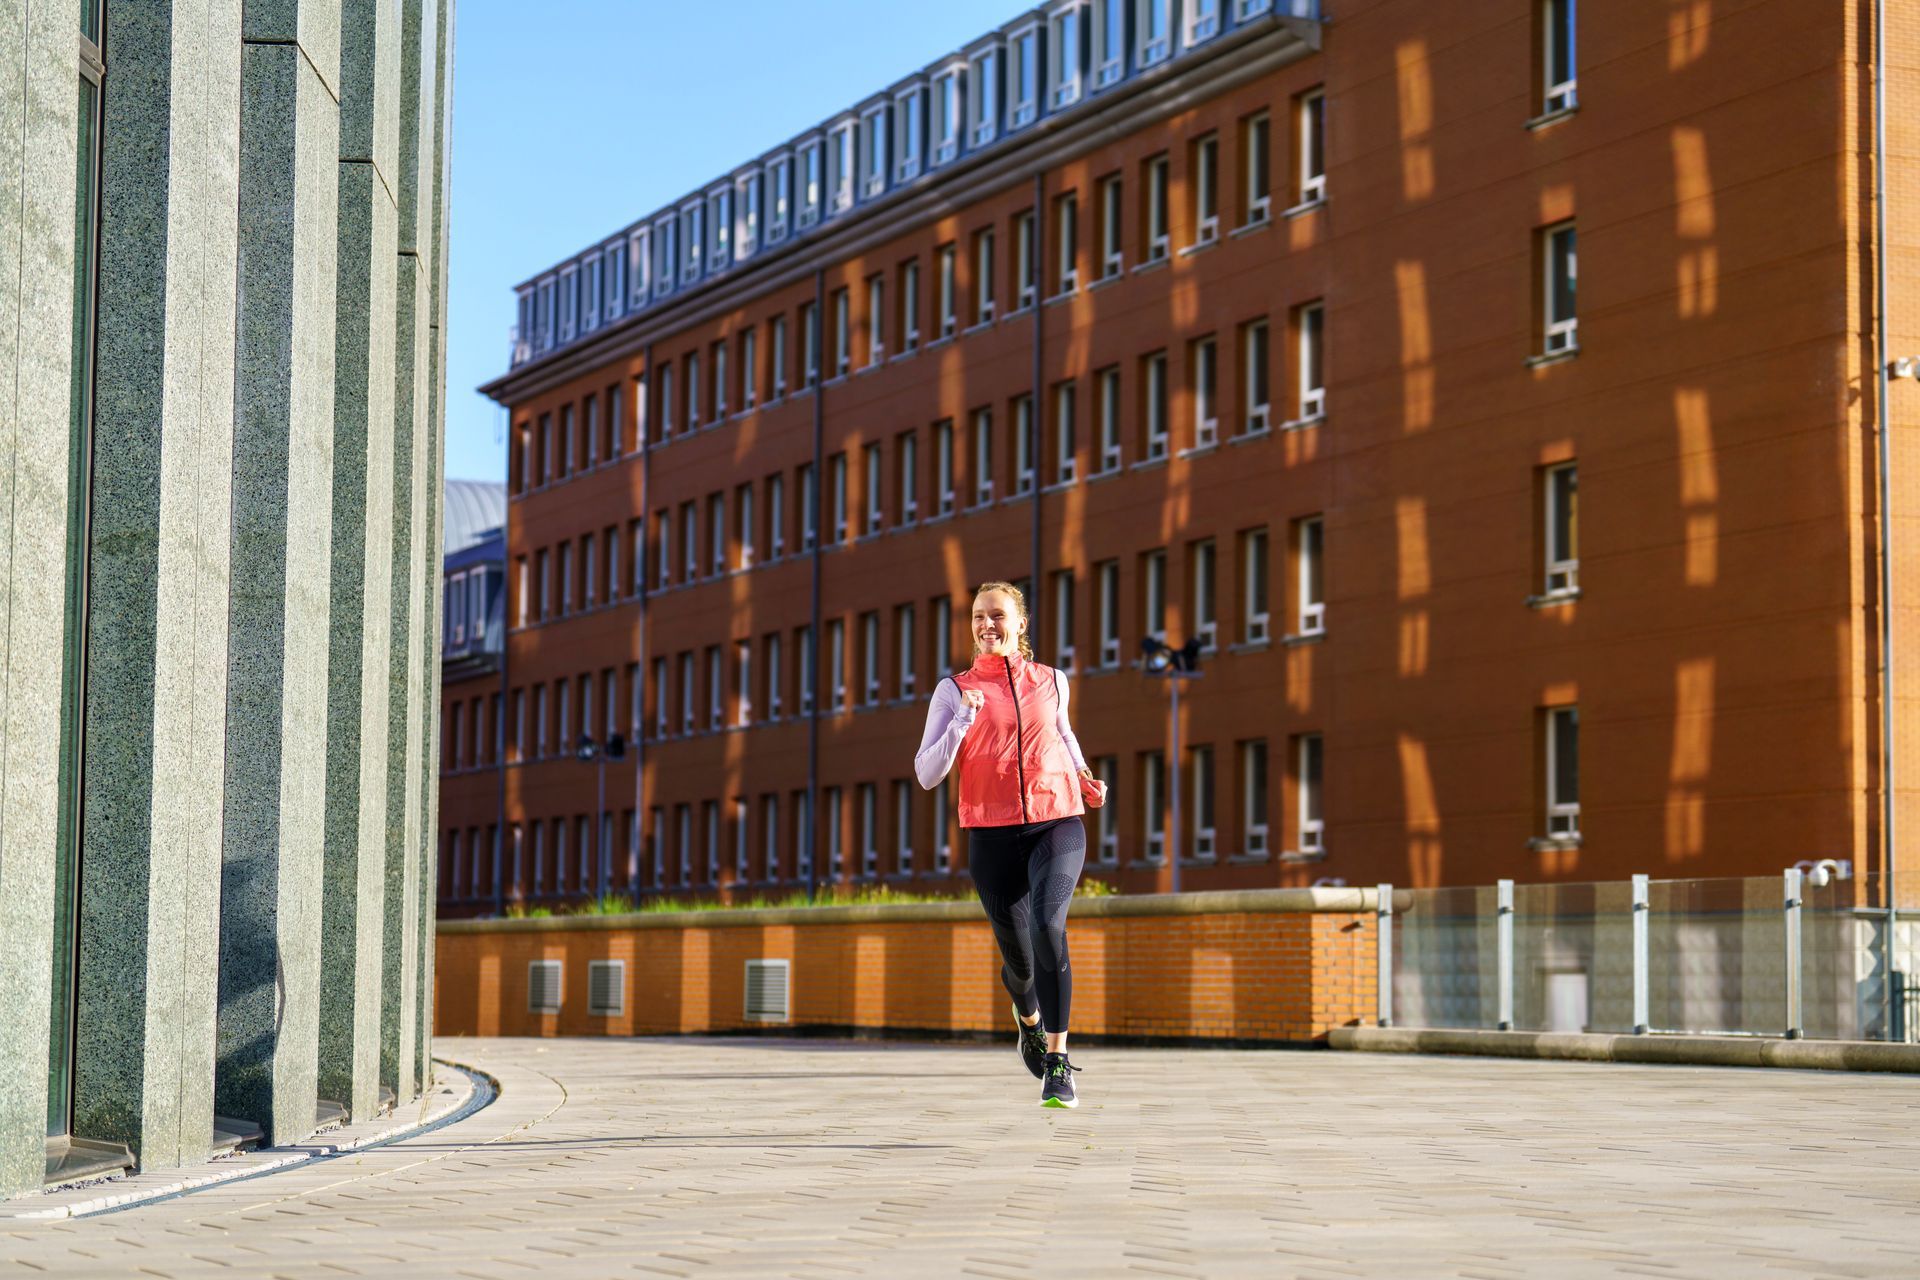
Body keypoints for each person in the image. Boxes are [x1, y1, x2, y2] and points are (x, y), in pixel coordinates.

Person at [915, 581, 1107, 1108]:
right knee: (1020, 963)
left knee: (1049, 926)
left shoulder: (1052, 681)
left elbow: (1063, 734)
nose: (986, 625)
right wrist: (963, 720)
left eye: (997, 615)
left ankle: (1059, 1061)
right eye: (978, 617)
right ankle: (1029, 1022)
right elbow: (927, 773)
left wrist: (1085, 775)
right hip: (992, 835)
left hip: (1057, 820)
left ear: (1021, 624)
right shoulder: (953, 691)